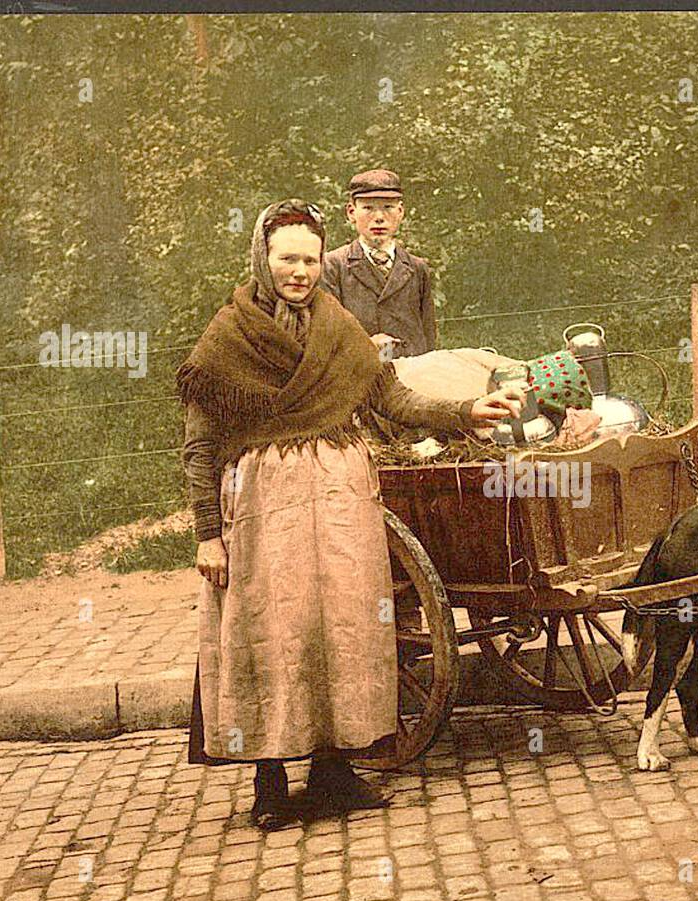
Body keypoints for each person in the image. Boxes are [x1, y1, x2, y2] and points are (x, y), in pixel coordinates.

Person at [178, 199, 520, 830]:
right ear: (263, 258)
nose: (300, 272)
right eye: (287, 259)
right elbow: (200, 445)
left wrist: (466, 410)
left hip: (340, 500)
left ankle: (335, 772)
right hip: (263, 504)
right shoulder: (228, 337)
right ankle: (270, 783)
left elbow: (390, 394)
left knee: (343, 626)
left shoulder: (338, 326)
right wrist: (207, 535)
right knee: (272, 633)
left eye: (310, 259)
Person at [322, 168, 436, 361]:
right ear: (351, 212)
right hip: (358, 375)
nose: (379, 217)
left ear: (400, 212)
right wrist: (365, 346)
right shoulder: (333, 266)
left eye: (388, 207)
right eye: (368, 208)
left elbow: (429, 335)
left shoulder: (417, 268)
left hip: (413, 376)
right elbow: (328, 334)